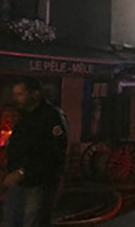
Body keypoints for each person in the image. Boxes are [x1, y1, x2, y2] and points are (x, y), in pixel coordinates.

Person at [3, 76, 67, 227]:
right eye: (15, 94)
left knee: (32, 221)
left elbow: (53, 154)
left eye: (20, 94)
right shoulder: (24, 116)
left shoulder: (51, 117)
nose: (15, 98)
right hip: (18, 181)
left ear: (35, 94)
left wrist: (22, 171)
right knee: (10, 220)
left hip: (38, 183)